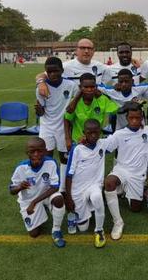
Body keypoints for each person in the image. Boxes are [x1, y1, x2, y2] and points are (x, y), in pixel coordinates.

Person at [103, 102, 148, 240]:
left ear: (142, 118)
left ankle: (123, 189)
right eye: (131, 118)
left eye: (137, 118)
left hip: (138, 176)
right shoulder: (120, 134)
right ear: (127, 118)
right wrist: (85, 141)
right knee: (109, 182)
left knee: (135, 208)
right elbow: (105, 146)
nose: (134, 121)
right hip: (122, 169)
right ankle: (118, 222)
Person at [9, 137, 66, 247]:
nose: (36, 154)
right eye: (32, 151)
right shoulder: (21, 168)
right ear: (27, 153)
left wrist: (34, 202)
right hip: (28, 200)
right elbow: (11, 190)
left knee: (59, 198)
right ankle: (40, 211)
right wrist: (19, 187)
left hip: (46, 195)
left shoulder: (51, 163)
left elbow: (55, 187)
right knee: (34, 234)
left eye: (40, 151)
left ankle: (56, 230)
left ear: (45, 151)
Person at [35, 57, 79, 192]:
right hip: (47, 127)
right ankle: (47, 186)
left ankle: (63, 188)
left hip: (63, 127)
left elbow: (77, 100)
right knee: (47, 157)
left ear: (62, 70)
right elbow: (41, 113)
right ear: (46, 72)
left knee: (64, 158)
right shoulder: (41, 88)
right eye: (50, 72)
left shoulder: (70, 85)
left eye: (56, 71)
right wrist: (39, 110)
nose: (53, 74)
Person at [65, 119, 107, 248]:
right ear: (84, 133)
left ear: (100, 132)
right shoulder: (77, 149)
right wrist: (68, 197)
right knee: (83, 228)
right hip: (78, 190)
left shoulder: (103, 144)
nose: (93, 135)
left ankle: (99, 230)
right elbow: (68, 174)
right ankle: (73, 214)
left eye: (96, 132)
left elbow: (119, 137)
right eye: (90, 133)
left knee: (97, 197)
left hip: (94, 185)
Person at [36, 38, 109, 97]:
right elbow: (41, 75)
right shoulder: (66, 66)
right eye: (82, 48)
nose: (86, 51)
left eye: (89, 48)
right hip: (73, 107)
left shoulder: (100, 66)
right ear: (76, 50)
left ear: (93, 51)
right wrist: (41, 83)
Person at [64, 73, 118, 150]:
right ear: (80, 87)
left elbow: (115, 110)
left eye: (92, 87)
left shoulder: (102, 99)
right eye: (86, 87)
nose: (89, 90)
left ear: (96, 87)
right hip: (79, 141)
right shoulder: (75, 102)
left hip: (97, 141)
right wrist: (67, 139)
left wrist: (102, 95)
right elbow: (67, 119)